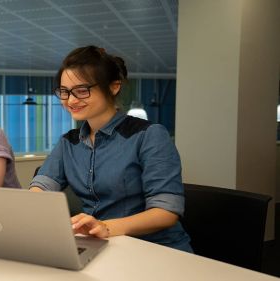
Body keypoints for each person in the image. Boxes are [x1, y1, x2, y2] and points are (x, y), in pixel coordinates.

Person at [29, 46, 192, 252]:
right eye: (64, 92)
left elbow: (166, 212)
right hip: (103, 245)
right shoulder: (68, 142)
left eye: (81, 90)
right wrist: (31, 203)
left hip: (156, 249)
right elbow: (42, 186)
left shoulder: (149, 135)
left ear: (114, 87)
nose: (70, 100)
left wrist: (105, 227)